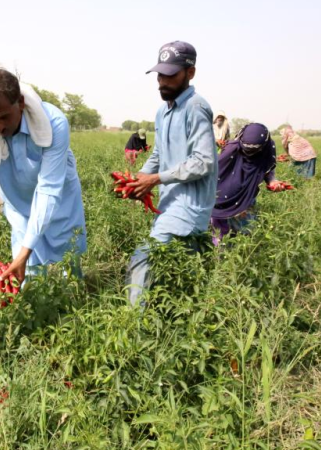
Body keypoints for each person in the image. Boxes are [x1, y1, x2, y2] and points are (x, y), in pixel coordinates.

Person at [0, 67, 87, 284]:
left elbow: (49, 189)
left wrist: (24, 253)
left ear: (20, 103)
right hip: (18, 202)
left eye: (4, 117)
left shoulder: (53, 123)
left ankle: (74, 303)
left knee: (69, 265)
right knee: (28, 277)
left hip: (59, 199)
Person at [124, 41, 218, 305]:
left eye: (170, 75)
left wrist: (155, 179)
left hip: (189, 205)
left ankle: (133, 325)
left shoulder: (195, 108)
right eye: (159, 75)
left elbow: (203, 162)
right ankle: (187, 311)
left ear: (190, 73)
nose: (162, 82)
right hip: (170, 203)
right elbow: (158, 154)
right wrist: (139, 179)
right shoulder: (163, 112)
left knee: (143, 257)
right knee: (183, 268)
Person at [210, 123, 280, 244]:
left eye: (255, 149)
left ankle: (241, 256)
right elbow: (215, 171)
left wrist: (273, 181)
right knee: (220, 235)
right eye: (247, 148)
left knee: (244, 235)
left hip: (246, 199)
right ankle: (220, 258)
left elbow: (268, 170)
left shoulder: (266, 152)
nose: (250, 152)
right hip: (222, 197)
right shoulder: (231, 149)